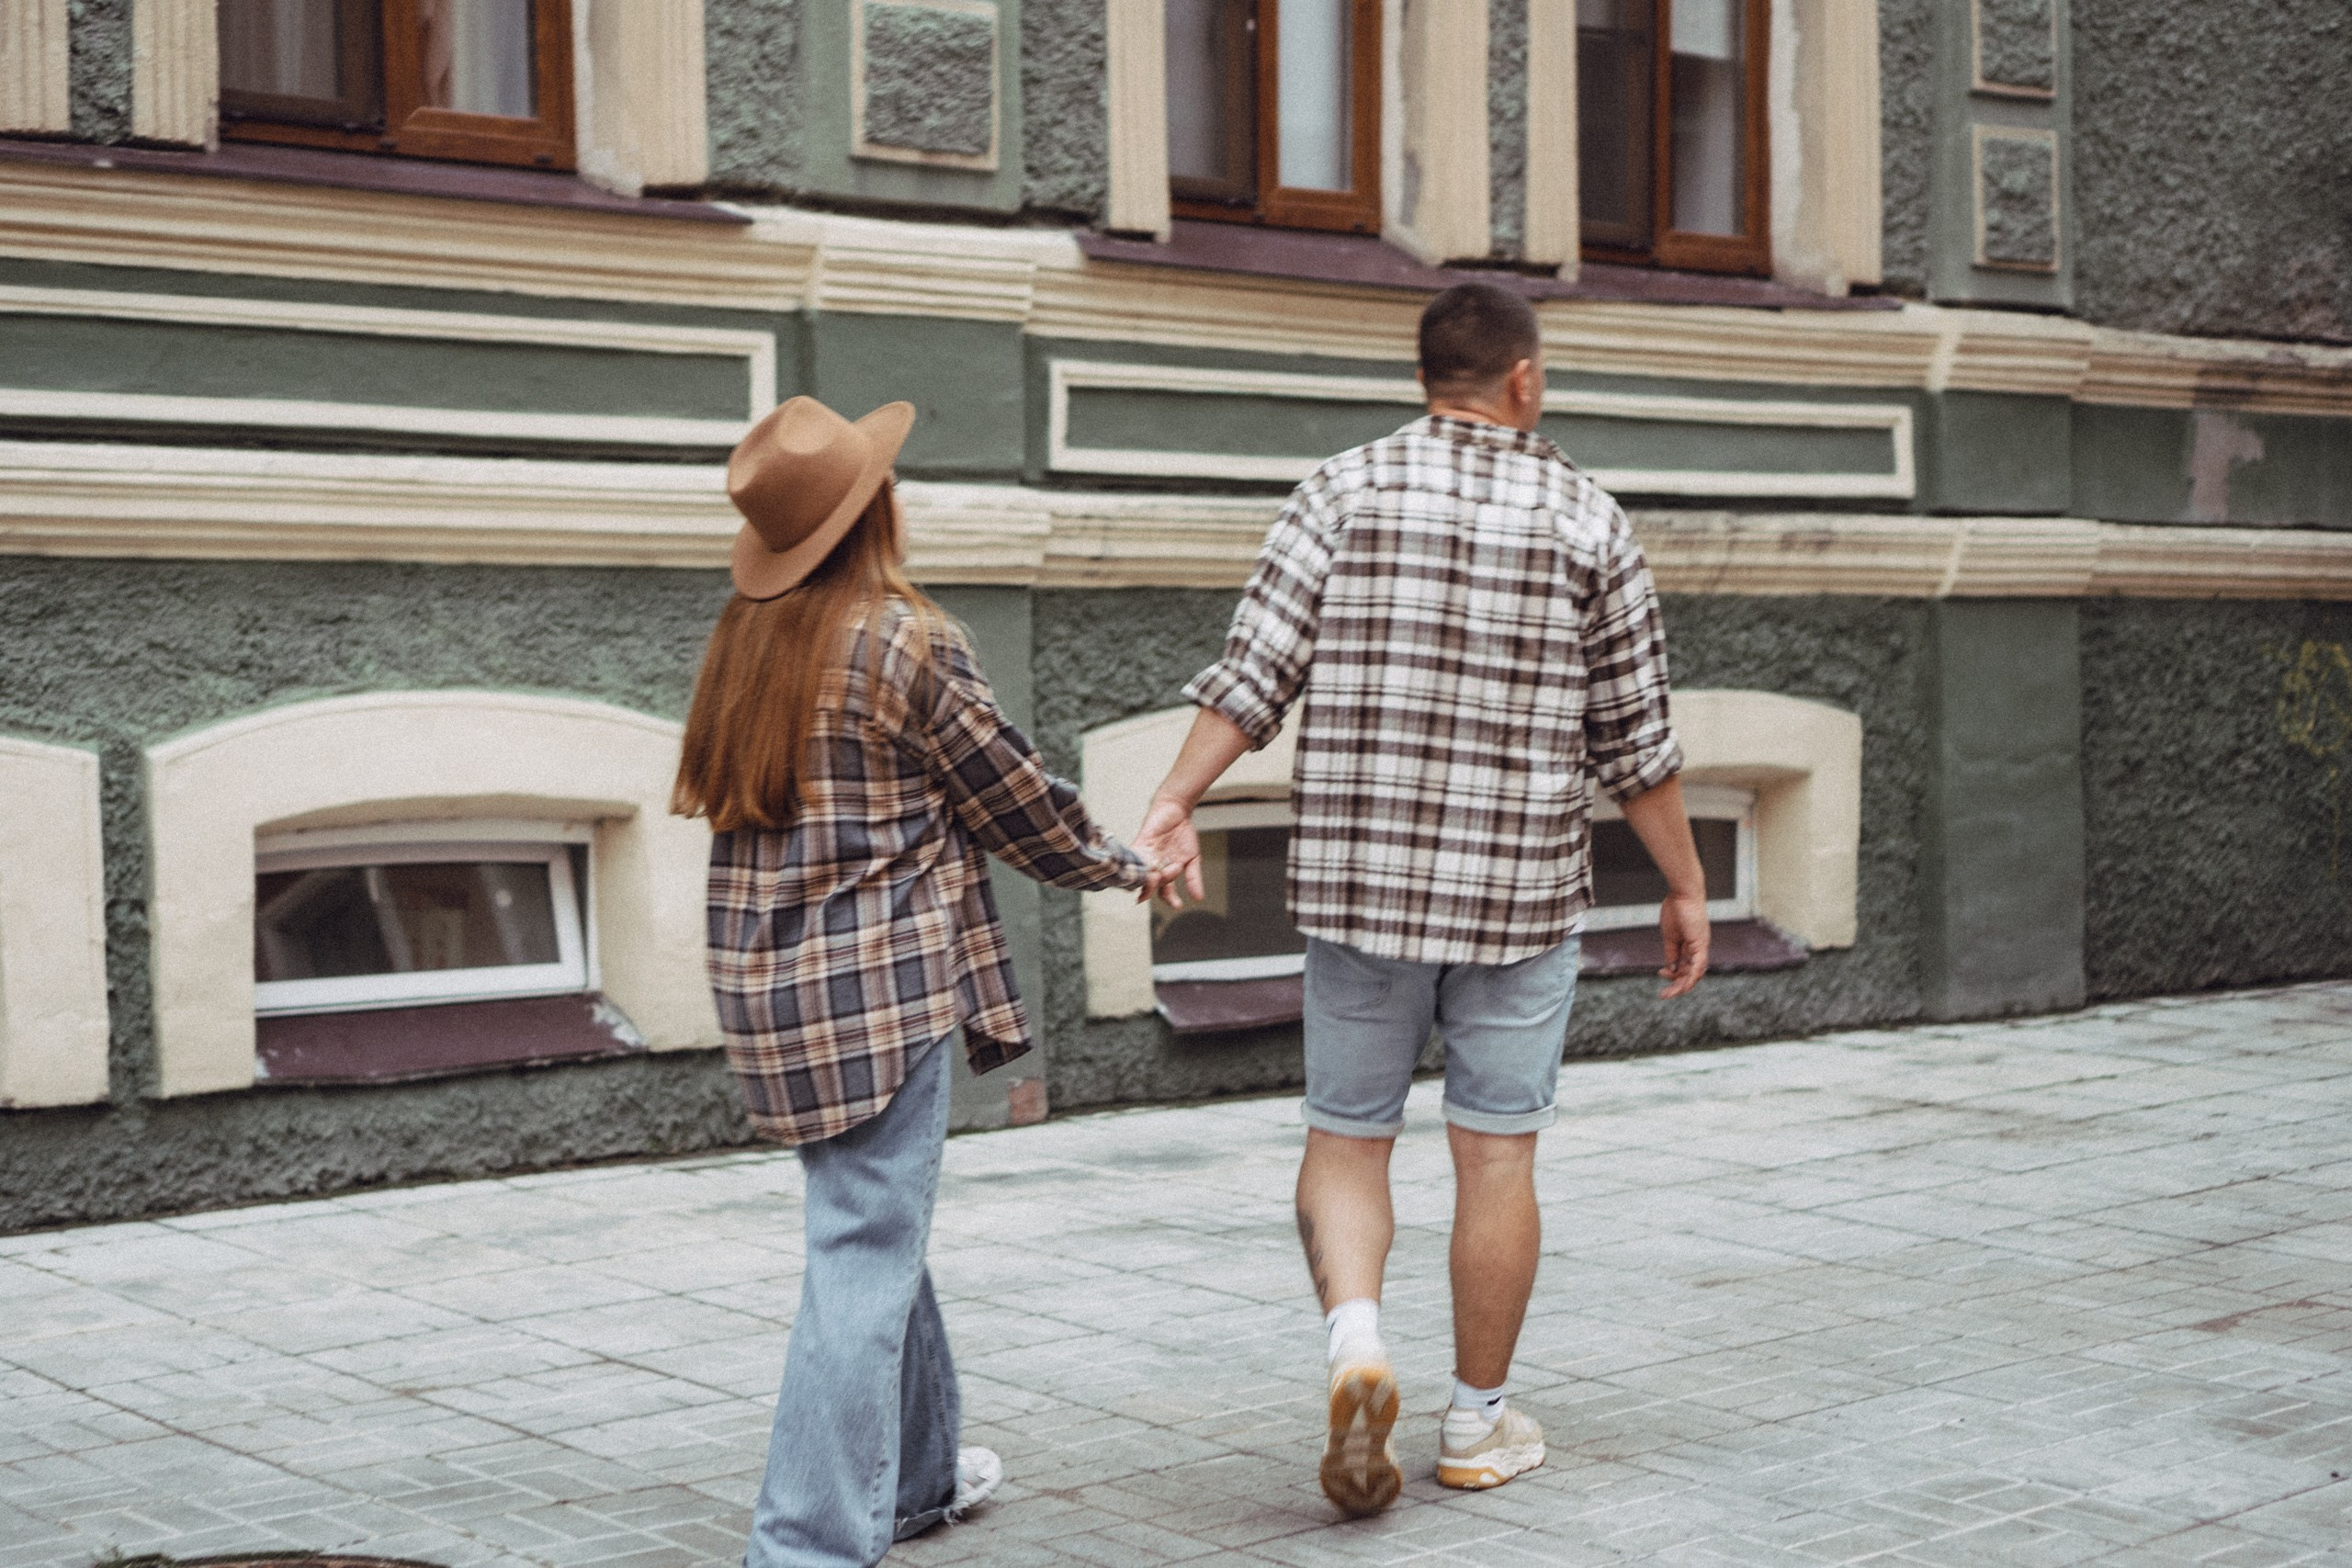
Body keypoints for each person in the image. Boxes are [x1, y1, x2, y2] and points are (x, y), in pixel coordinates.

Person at [1131, 282, 1712, 1516]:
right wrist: (1686, 880)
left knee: (1347, 1135)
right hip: (1518, 896)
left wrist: (1174, 798)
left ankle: (1356, 1345)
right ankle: (1476, 1424)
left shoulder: (1339, 491)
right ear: (1524, 380)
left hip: (1363, 890)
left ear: (1424, 379)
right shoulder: (1587, 520)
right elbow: (1636, 744)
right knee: (1496, 1157)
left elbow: (1252, 678)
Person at [673, 396, 1152, 1568]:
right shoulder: (905, 637)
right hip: (876, 989)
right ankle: (806, 1545)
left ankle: (919, 1478)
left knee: (875, 1220)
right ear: (871, 509)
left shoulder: (747, 638)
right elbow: (1011, 796)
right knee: (863, 1247)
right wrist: (1122, 864)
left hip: (772, 993)